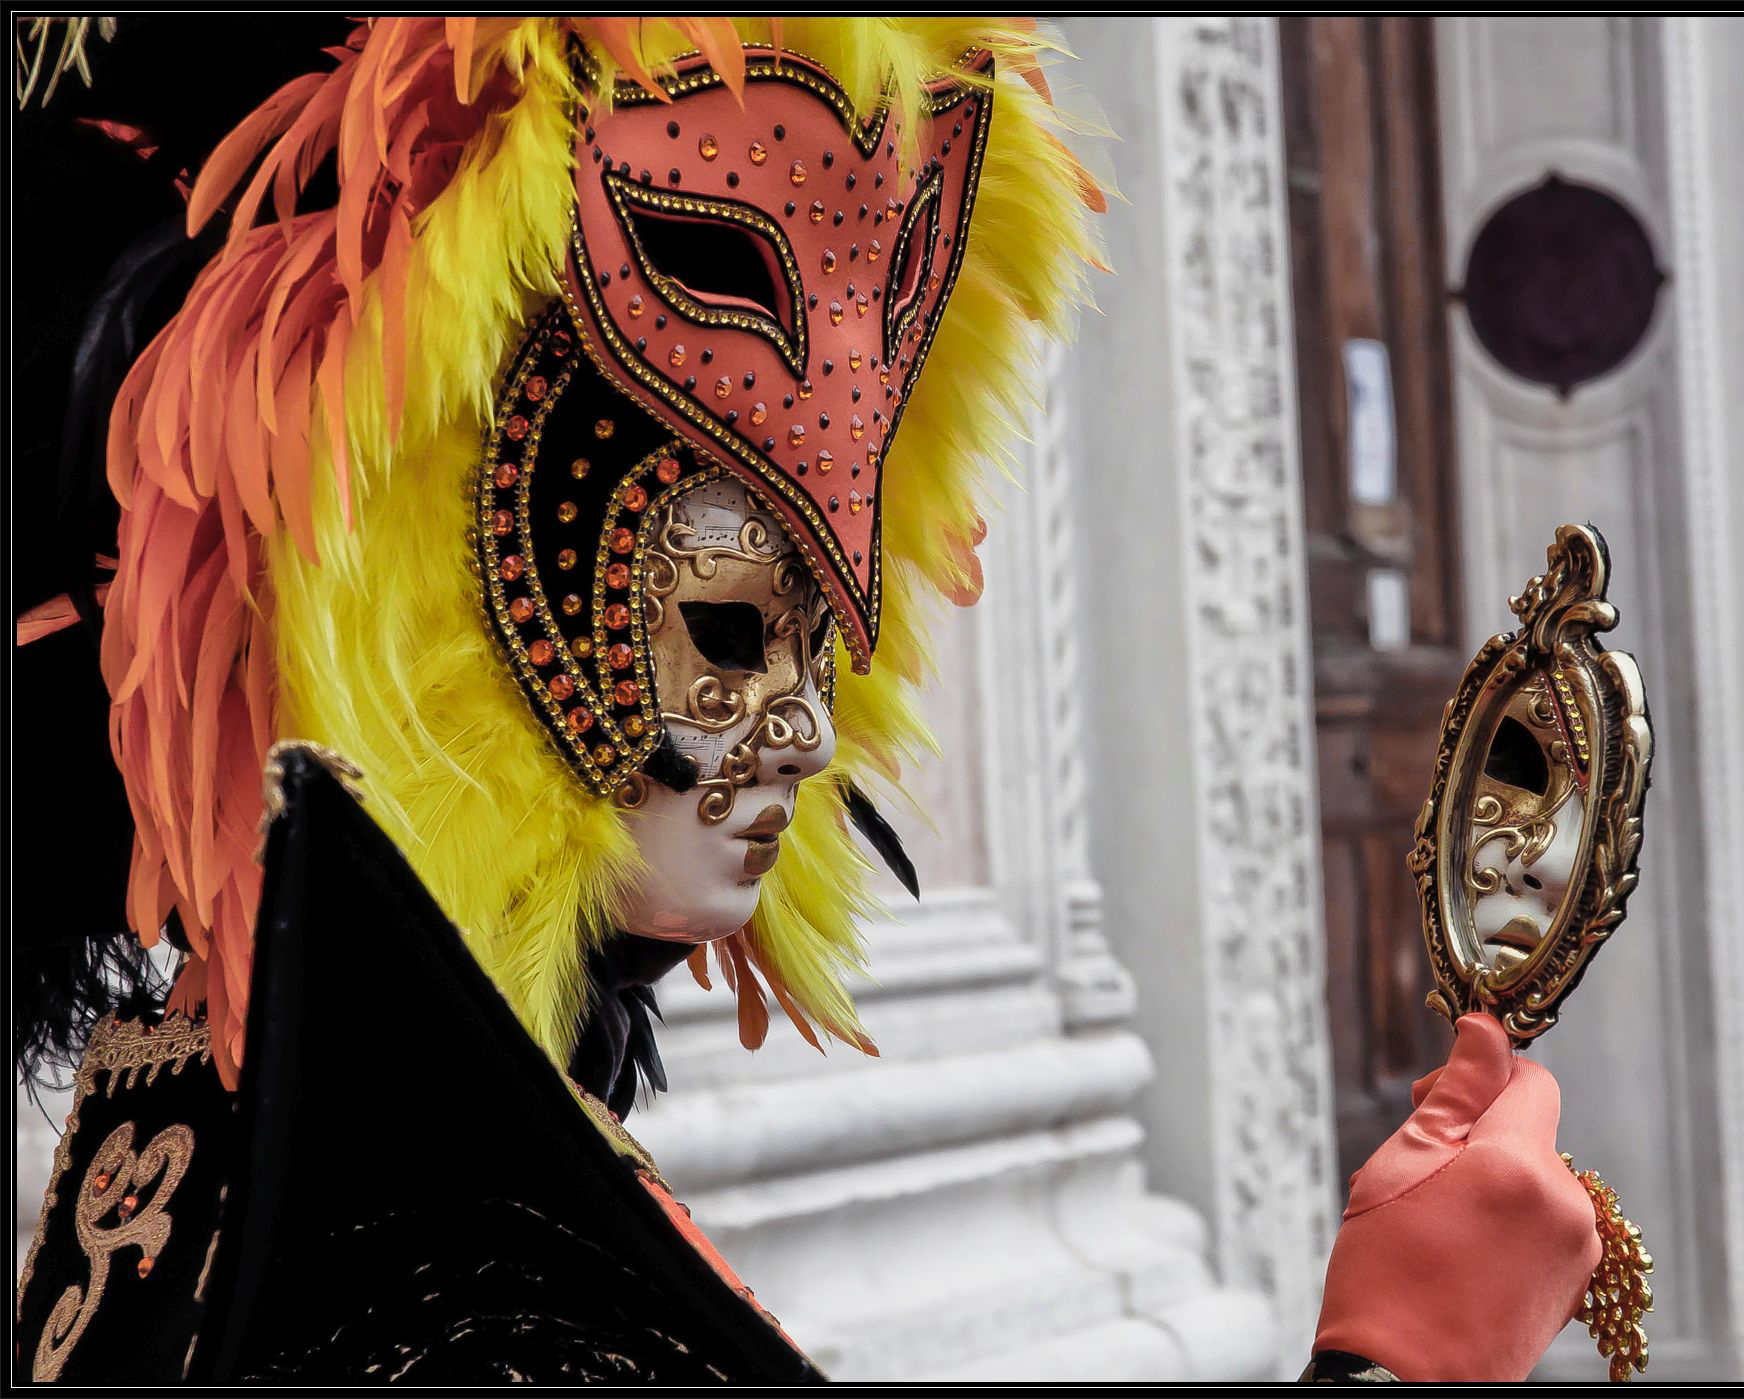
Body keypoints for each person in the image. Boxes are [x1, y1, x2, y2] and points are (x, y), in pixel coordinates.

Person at [12, 16, 1597, 1383]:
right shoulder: (472, 1288)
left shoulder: (223, 1089)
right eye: (724, 628)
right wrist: (1405, 1354)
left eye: (824, 648)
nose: (813, 734)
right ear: (440, 601)